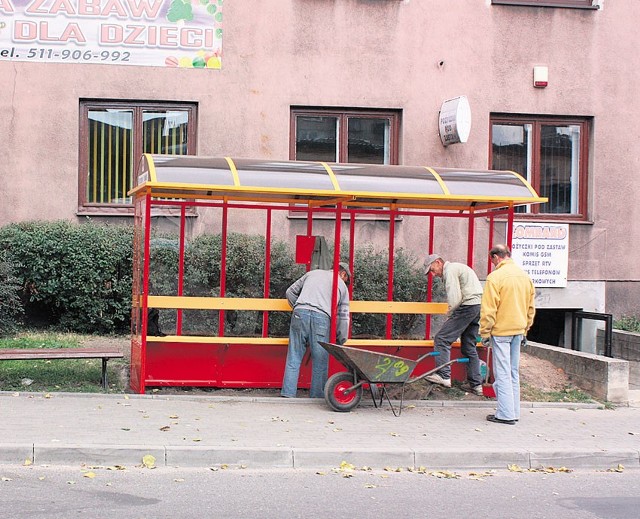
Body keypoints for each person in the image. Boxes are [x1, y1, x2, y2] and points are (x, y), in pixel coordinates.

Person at [480, 244, 535, 425]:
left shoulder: (495, 278)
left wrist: (485, 332)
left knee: (502, 372)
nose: (493, 264)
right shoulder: (524, 276)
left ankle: (505, 414)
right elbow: (531, 308)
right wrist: (526, 329)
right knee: (513, 372)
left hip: (501, 331)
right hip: (518, 330)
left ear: (496, 257)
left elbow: (489, 309)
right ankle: (514, 411)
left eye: (492, 260)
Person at [281, 262, 351, 398]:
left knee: (294, 356)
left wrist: (298, 307)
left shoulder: (312, 274)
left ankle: (288, 394)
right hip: (321, 318)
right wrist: (341, 339)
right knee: (320, 360)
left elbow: (290, 292)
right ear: (343, 274)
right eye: (346, 279)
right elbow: (343, 316)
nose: (345, 282)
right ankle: (317, 396)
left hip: (299, 313)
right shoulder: (341, 285)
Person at [423, 253, 484, 396]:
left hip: (467, 306)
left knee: (442, 339)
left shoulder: (450, 270)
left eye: (432, 270)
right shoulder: (458, 267)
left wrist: (450, 317)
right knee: (469, 346)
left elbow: (455, 298)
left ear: (438, 262)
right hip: (476, 307)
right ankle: (476, 385)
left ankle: (444, 376)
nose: (433, 274)